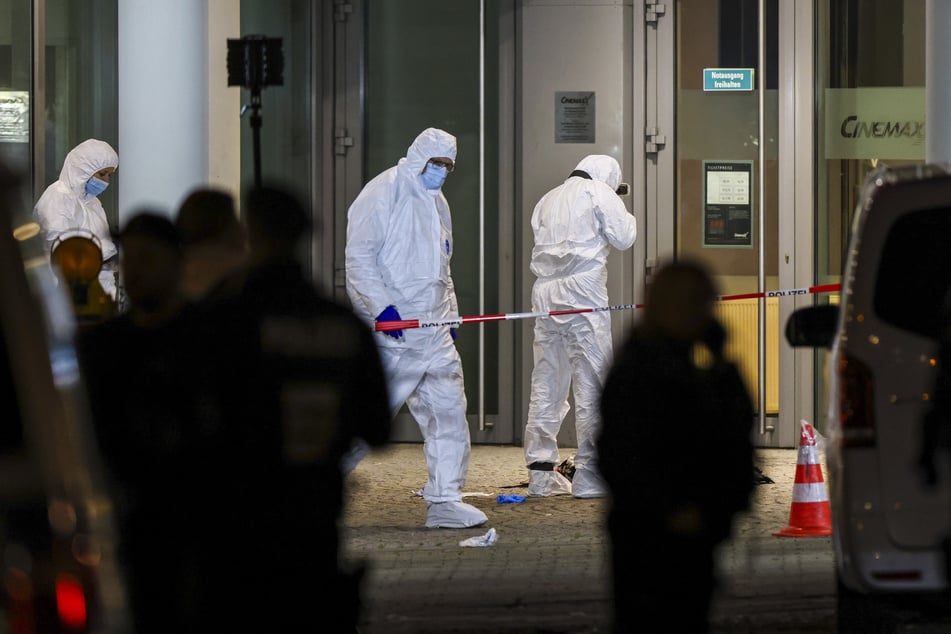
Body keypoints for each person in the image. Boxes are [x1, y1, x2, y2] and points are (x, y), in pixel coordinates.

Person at [200, 183, 392, 630]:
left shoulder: (225, 321)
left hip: (239, 524)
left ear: (249, 233)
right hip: (315, 518)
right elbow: (378, 428)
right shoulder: (340, 324)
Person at [76, 211, 222, 633]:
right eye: (128, 258)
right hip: (124, 526)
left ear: (177, 263)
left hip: (198, 527)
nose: (134, 270)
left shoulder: (212, 340)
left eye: (147, 258)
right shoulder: (101, 347)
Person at [597, 260, 755, 634]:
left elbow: (734, 435)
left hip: (687, 532)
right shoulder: (644, 371)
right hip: (653, 535)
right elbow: (622, 456)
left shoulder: (694, 368)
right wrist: (670, 509)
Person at [344, 127, 487, 530]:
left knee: (448, 412)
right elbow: (359, 258)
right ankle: (308, 490)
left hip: (435, 329)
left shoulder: (438, 203)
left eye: (448, 165)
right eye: (436, 162)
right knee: (363, 417)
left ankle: (444, 499)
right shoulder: (383, 191)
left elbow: (444, 266)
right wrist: (381, 309)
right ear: (418, 156)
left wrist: (451, 315)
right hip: (395, 332)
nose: (441, 171)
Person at [523, 154, 637, 498]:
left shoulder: (548, 198)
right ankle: (590, 475)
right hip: (582, 291)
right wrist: (617, 202)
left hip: (544, 293)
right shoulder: (597, 192)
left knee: (547, 380)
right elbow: (624, 236)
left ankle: (540, 475)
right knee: (592, 381)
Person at [33, 139, 120, 302]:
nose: (106, 181)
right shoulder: (58, 199)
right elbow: (64, 254)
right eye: (102, 174)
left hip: (97, 296)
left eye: (109, 175)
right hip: (68, 297)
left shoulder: (93, 203)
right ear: (82, 169)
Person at [173, 186, 247, 301]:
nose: (242, 227)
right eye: (234, 219)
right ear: (223, 227)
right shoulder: (245, 275)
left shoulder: (169, 276)